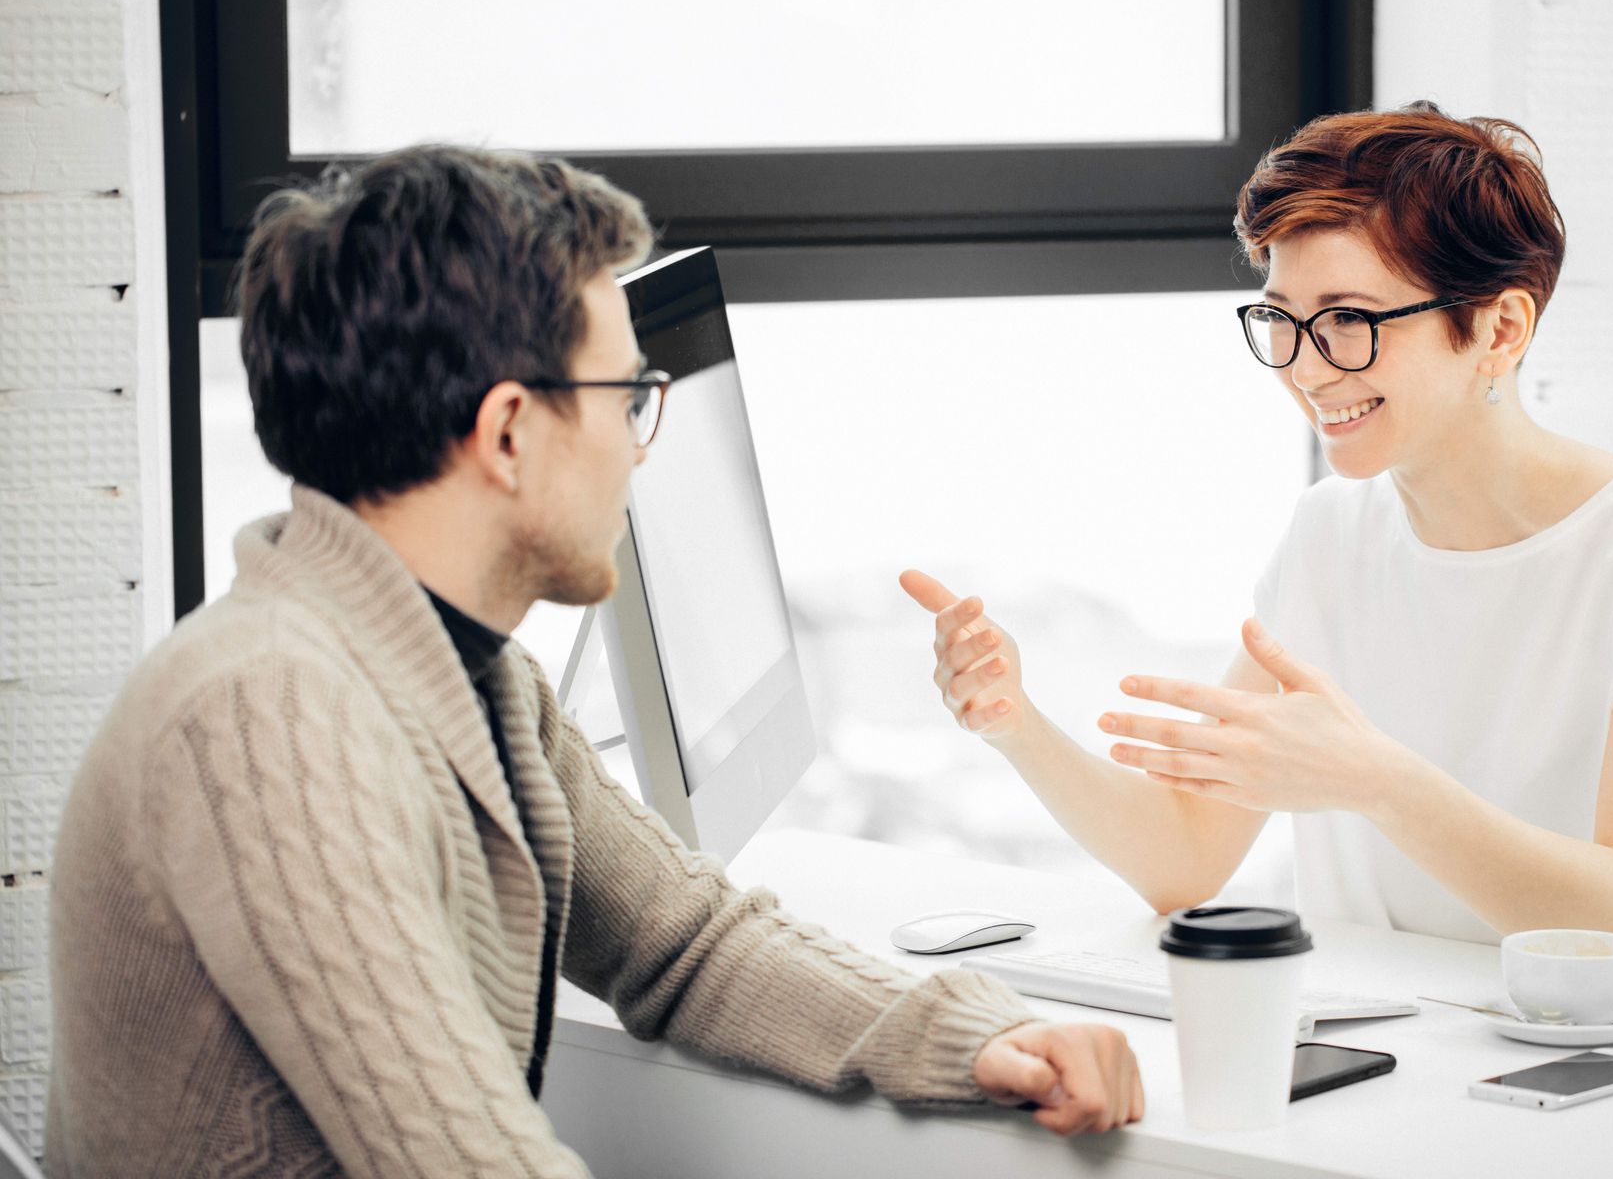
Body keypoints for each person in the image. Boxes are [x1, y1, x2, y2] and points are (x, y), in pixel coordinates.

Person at [47, 145, 1142, 1177]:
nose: (639, 442)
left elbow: (686, 944)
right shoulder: (266, 718)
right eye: (627, 396)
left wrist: (977, 1033)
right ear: (510, 430)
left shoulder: (470, 675)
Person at [904, 103, 1613, 985]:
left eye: (1349, 319)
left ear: (1500, 328)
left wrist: (1374, 781)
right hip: (1417, 1042)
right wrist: (1015, 725)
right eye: (1282, 318)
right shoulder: (1331, 533)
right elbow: (1185, 862)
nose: (1304, 366)